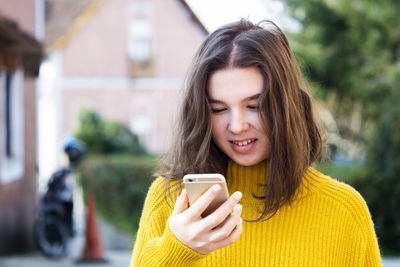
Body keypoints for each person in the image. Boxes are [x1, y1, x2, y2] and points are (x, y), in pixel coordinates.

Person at [130, 19, 381, 266]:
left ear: (286, 105)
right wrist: (175, 250)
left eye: (255, 106)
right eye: (218, 109)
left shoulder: (345, 211)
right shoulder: (171, 201)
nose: (237, 126)